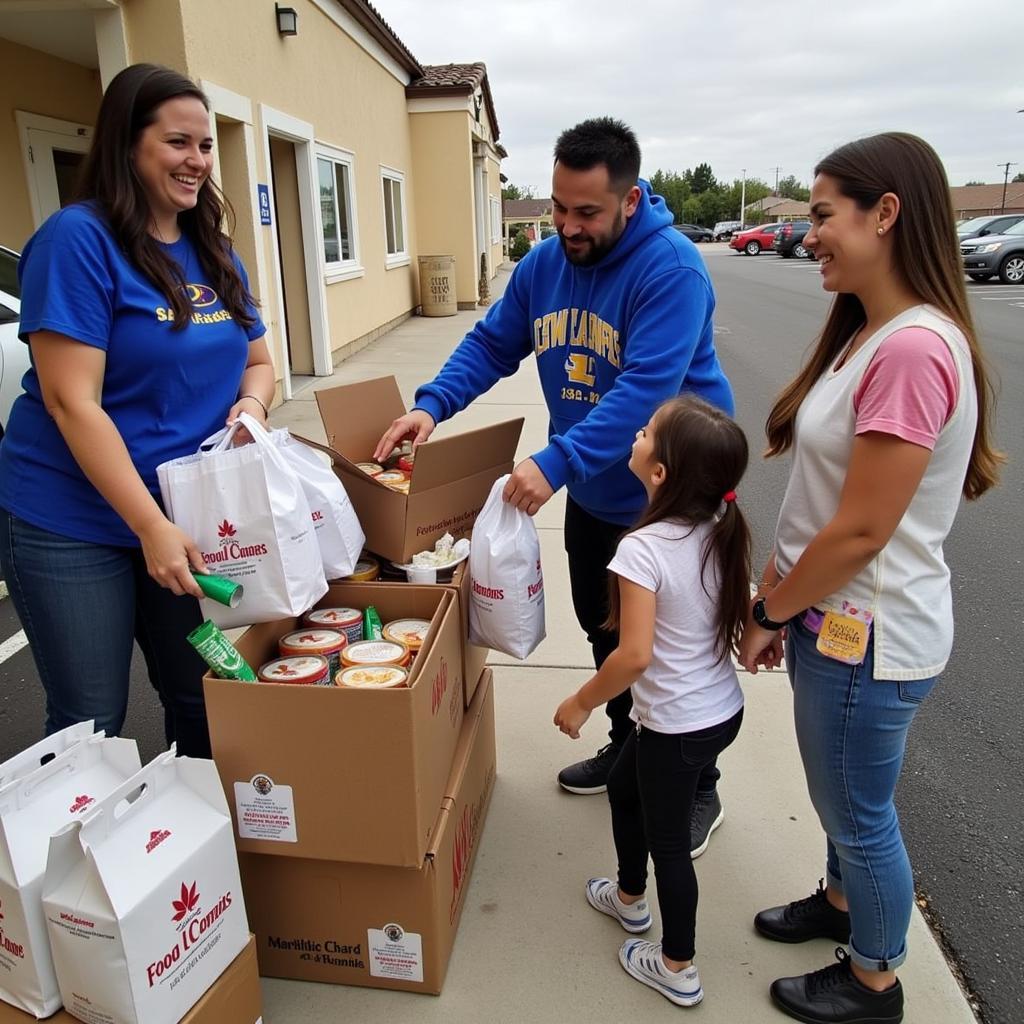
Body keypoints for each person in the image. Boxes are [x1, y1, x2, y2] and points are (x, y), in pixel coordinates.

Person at [375, 117, 735, 855]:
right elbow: (492, 343)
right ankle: (626, 742)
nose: (567, 225)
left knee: (676, 658)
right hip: (600, 491)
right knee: (606, 631)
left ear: (629, 200)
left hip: (675, 505)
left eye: (587, 212)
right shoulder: (544, 266)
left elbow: (646, 391)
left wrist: (556, 461)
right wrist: (430, 404)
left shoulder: (671, 270)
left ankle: (699, 786)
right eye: (558, 207)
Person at [738, 133, 1002, 1024]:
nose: (807, 234)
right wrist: (778, 594)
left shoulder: (914, 349)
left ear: (885, 214)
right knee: (844, 795)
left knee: (857, 809)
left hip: (869, 633)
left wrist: (772, 605)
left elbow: (858, 530)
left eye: (820, 216)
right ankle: (842, 906)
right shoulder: (873, 334)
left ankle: (874, 980)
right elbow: (819, 503)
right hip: (837, 620)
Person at [0, 64, 274, 758]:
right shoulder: (77, 241)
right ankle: (70, 861)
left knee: (204, 692)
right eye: (179, 143)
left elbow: (260, 362)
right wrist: (148, 524)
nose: (198, 161)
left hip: (180, 517)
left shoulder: (213, 250)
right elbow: (70, 401)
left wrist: (249, 410)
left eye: (206, 146)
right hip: (73, 519)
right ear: (128, 144)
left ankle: (194, 855)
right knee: (91, 718)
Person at [553, 395, 749, 1007]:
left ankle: (677, 966)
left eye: (645, 432)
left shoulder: (642, 550)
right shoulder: (719, 528)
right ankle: (630, 901)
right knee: (622, 786)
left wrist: (582, 701)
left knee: (669, 846)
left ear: (658, 472)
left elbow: (632, 655)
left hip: (677, 724)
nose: (635, 434)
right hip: (717, 712)